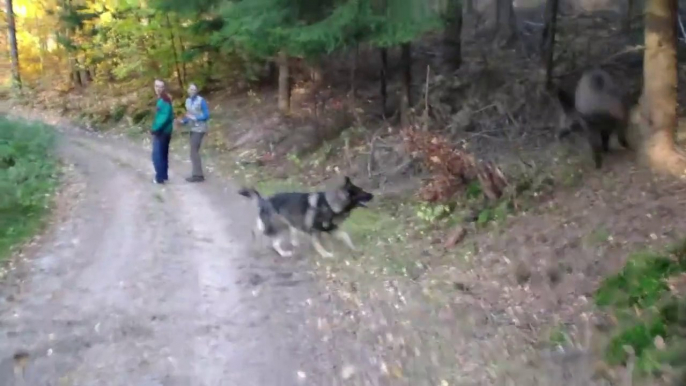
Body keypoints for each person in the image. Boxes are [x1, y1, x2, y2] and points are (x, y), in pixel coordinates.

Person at [177, 83, 210, 183]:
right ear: (188, 90)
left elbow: (207, 115)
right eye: (191, 89)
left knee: (194, 151)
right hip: (192, 128)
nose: (192, 91)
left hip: (200, 129)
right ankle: (197, 174)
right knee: (193, 151)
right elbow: (189, 115)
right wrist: (183, 121)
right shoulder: (187, 101)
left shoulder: (201, 101)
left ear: (197, 91)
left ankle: (198, 175)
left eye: (194, 90)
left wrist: (196, 118)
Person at [151, 79, 174, 184]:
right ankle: (163, 175)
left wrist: (155, 129)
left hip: (162, 131)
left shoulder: (164, 100)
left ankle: (159, 177)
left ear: (164, 88)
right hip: (166, 131)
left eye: (160, 86)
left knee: (157, 155)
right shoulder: (163, 99)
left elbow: (164, 117)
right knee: (163, 154)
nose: (158, 88)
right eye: (156, 86)